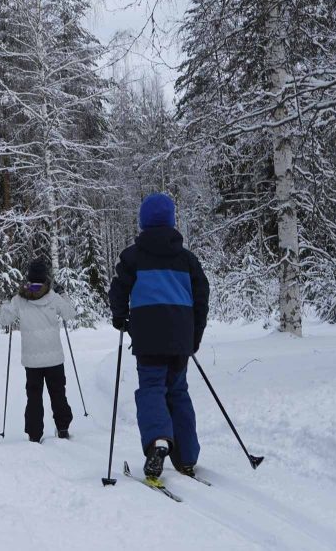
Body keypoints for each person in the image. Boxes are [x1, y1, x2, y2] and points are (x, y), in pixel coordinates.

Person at [108, 193, 209, 479]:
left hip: (148, 336)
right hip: (180, 338)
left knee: (152, 387)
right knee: (178, 391)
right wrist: (194, 336)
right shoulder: (187, 260)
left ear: (142, 222)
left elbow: (118, 290)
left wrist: (119, 316)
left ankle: (158, 442)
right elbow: (201, 298)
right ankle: (186, 457)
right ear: (172, 220)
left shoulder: (132, 257)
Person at [0, 258, 77, 443]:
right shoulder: (52, 296)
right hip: (54, 358)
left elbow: (4, 320)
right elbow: (69, 314)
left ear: (29, 277)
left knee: (34, 396)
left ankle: (34, 434)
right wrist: (63, 295)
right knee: (58, 393)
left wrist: (5, 303)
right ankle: (63, 428)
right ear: (45, 277)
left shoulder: (19, 299)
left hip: (32, 360)